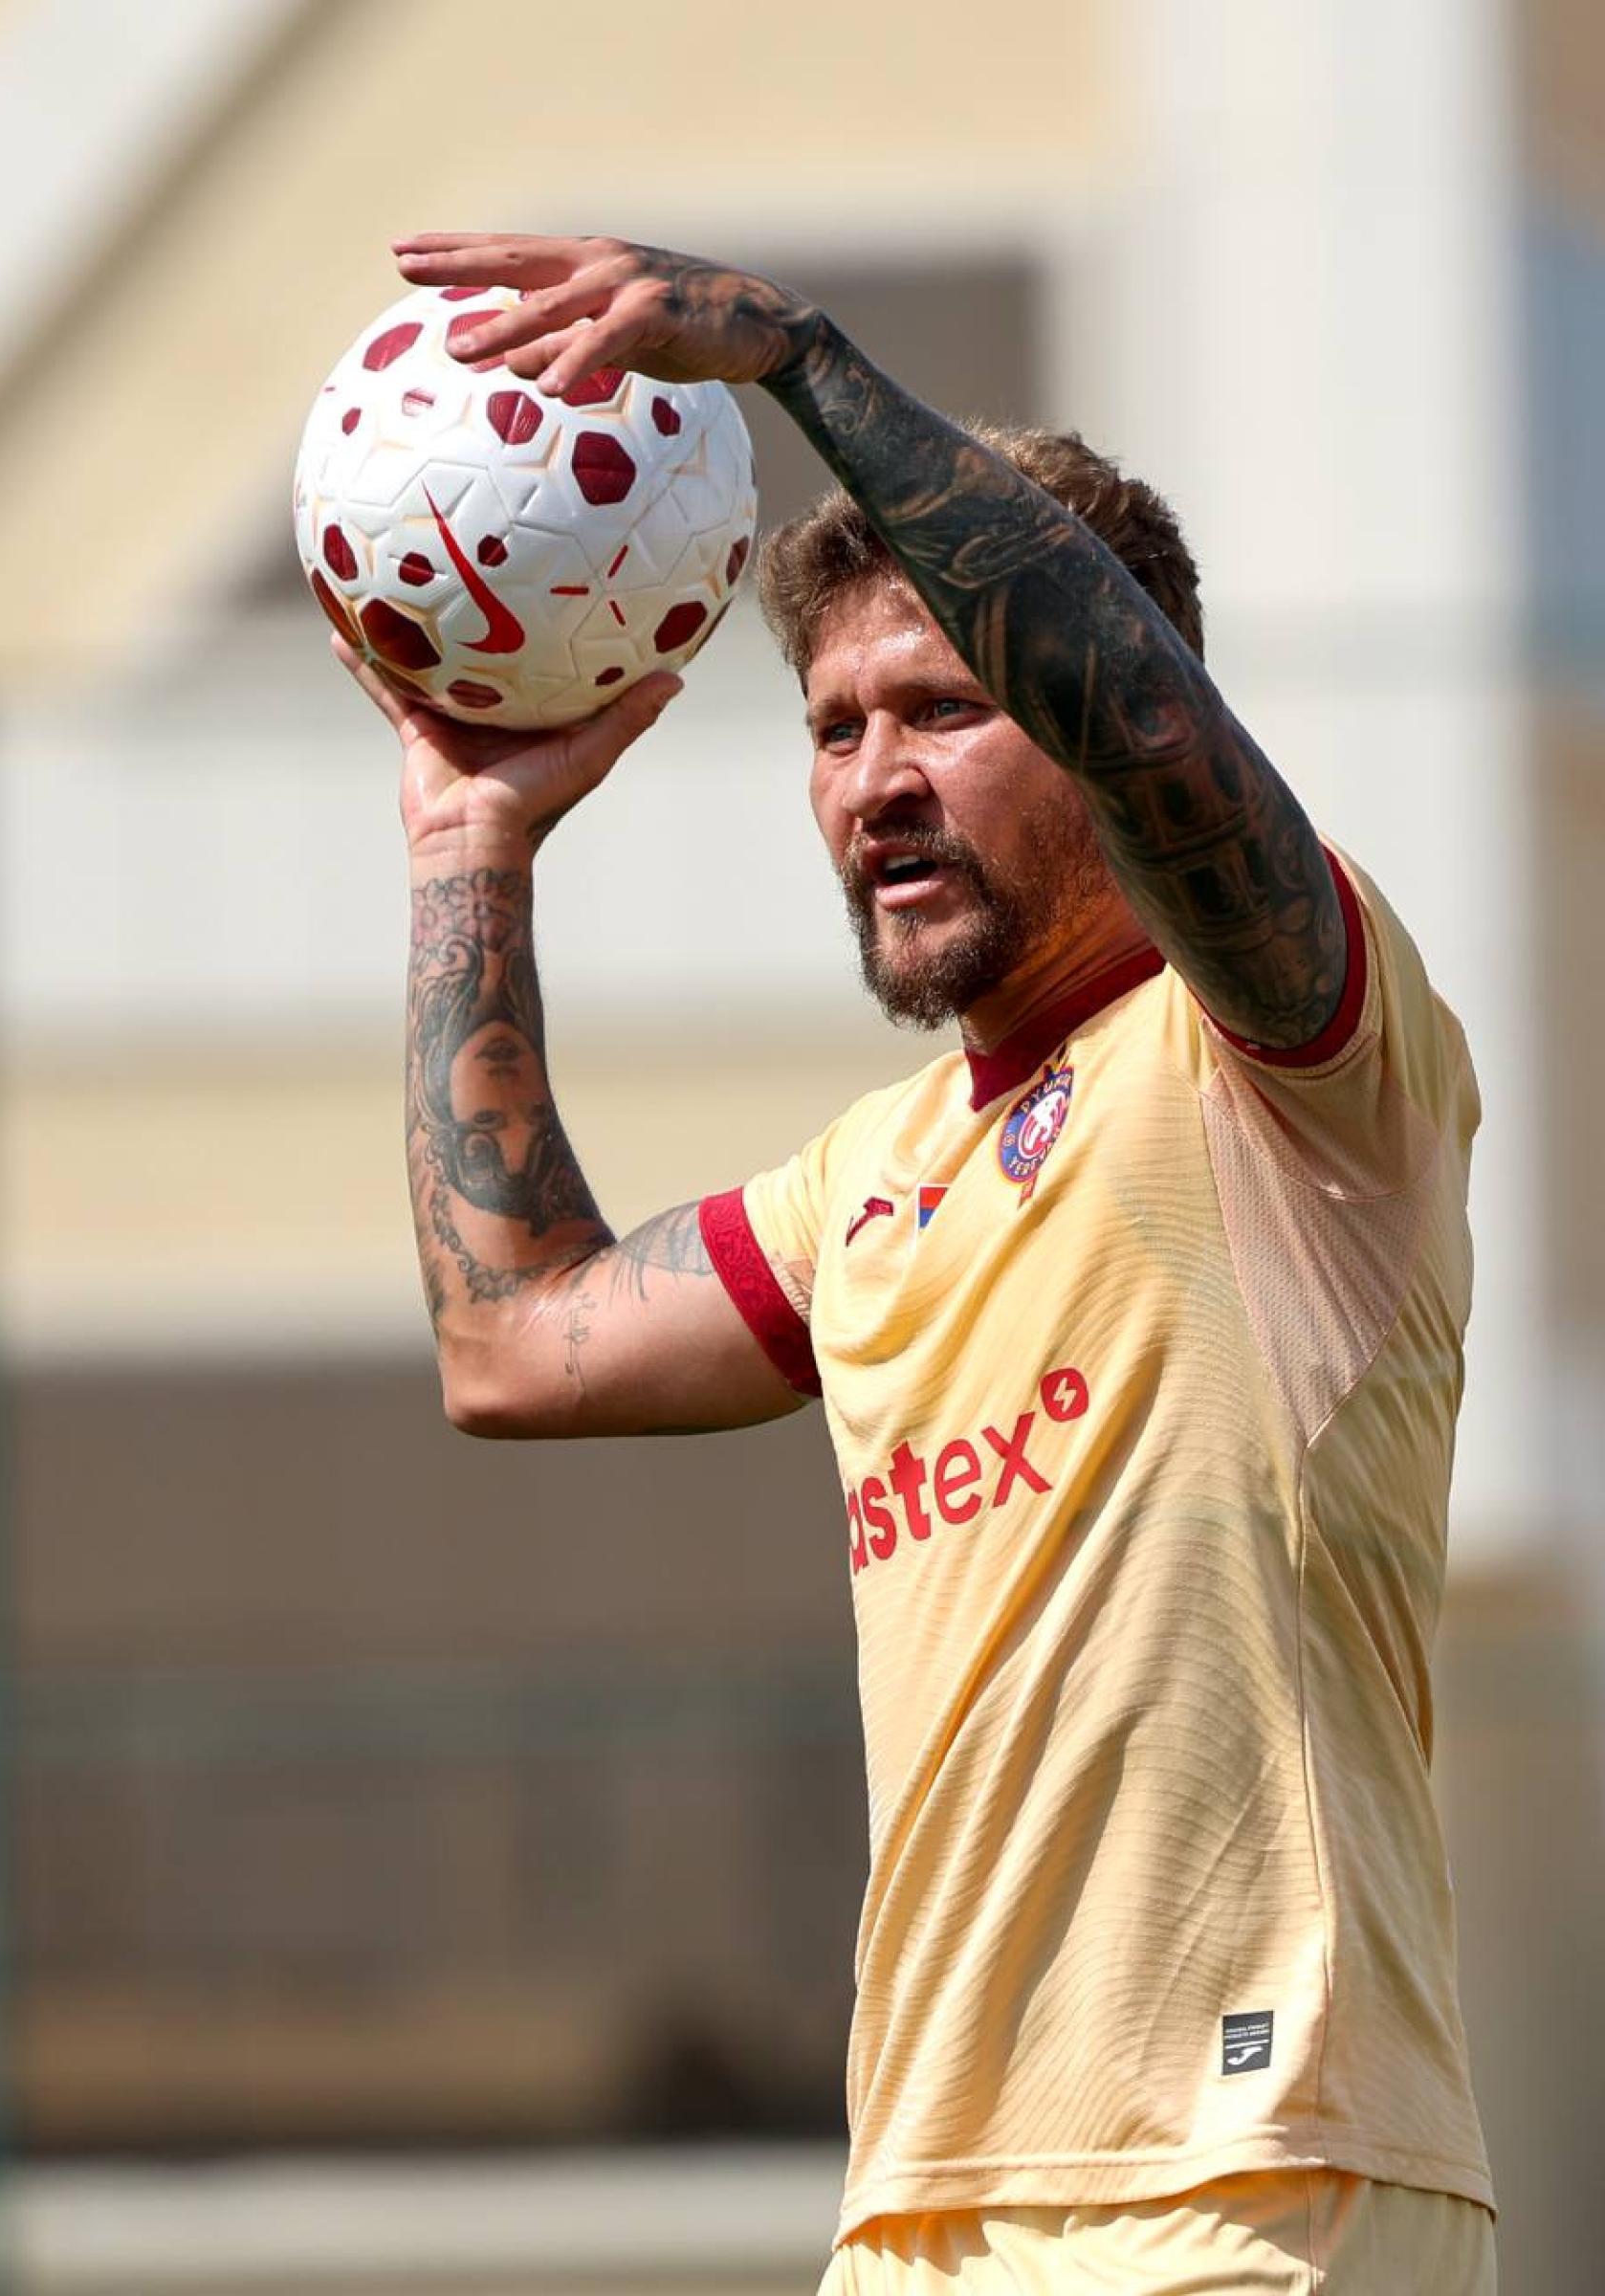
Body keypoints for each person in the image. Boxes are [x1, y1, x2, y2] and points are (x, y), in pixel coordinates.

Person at [335, 232, 1496, 2294]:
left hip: (1253, 2185)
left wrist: (801, 360)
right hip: (926, 2215)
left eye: (946, 709)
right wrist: (468, 849)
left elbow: (1154, 731)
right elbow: (511, 1341)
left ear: (1090, 707)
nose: (873, 781)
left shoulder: (1291, 1062)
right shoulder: (869, 1181)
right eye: (833, 726)